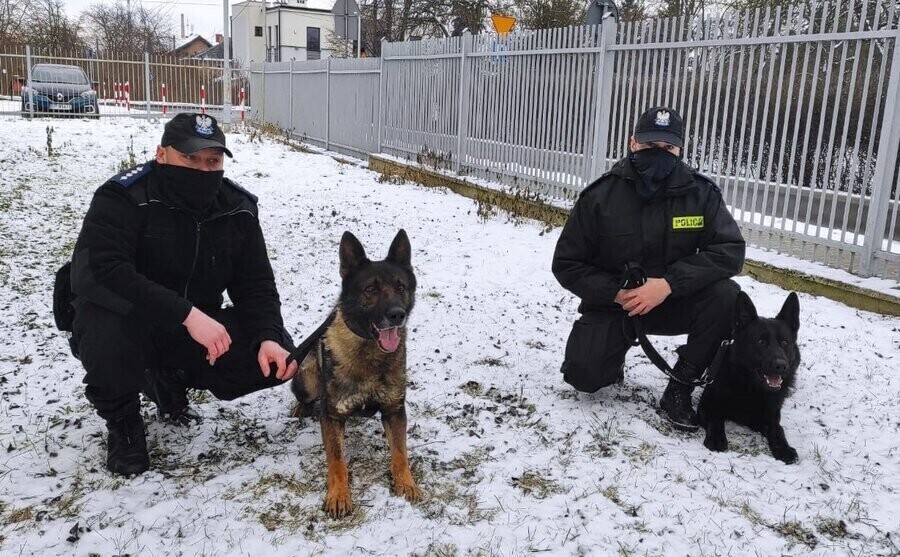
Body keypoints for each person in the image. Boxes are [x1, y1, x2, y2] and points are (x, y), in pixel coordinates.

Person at [68, 113, 298, 476]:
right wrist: (186, 314)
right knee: (103, 329)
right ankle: (124, 422)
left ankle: (168, 378)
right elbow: (102, 272)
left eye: (213, 161)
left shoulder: (237, 208)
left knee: (275, 356)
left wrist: (268, 336)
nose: (203, 170)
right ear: (162, 155)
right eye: (189, 158)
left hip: (194, 329)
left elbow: (256, 285)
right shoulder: (124, 197)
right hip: (130, 323)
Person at [552, 106, 745, 431]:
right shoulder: (601, 196)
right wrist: (615, 293)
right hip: (618, 306)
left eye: (668, 148)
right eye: (650, 146)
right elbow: (566, 264)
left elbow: (730, 251)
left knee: (727, 296)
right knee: (584, 377)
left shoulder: (700, 194)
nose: (659, 155)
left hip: (673, 301)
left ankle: (680, 387)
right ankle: (612, 358)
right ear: (632, 144)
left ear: (680, 149)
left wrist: (668, 284)